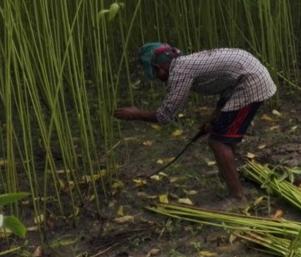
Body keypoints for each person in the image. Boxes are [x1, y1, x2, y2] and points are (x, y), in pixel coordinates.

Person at [114, 44, 277, 205]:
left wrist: (136, 114)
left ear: (158, 68)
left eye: (155, 74)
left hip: (251, 83)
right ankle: (230, 173)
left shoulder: (179, 73)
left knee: (218, 142)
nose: (158, 78)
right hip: (245, 78)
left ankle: (237, 197)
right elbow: (228, 82)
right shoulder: (185, 63)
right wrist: (213, 117)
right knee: (222, 136)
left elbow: (164, 116)